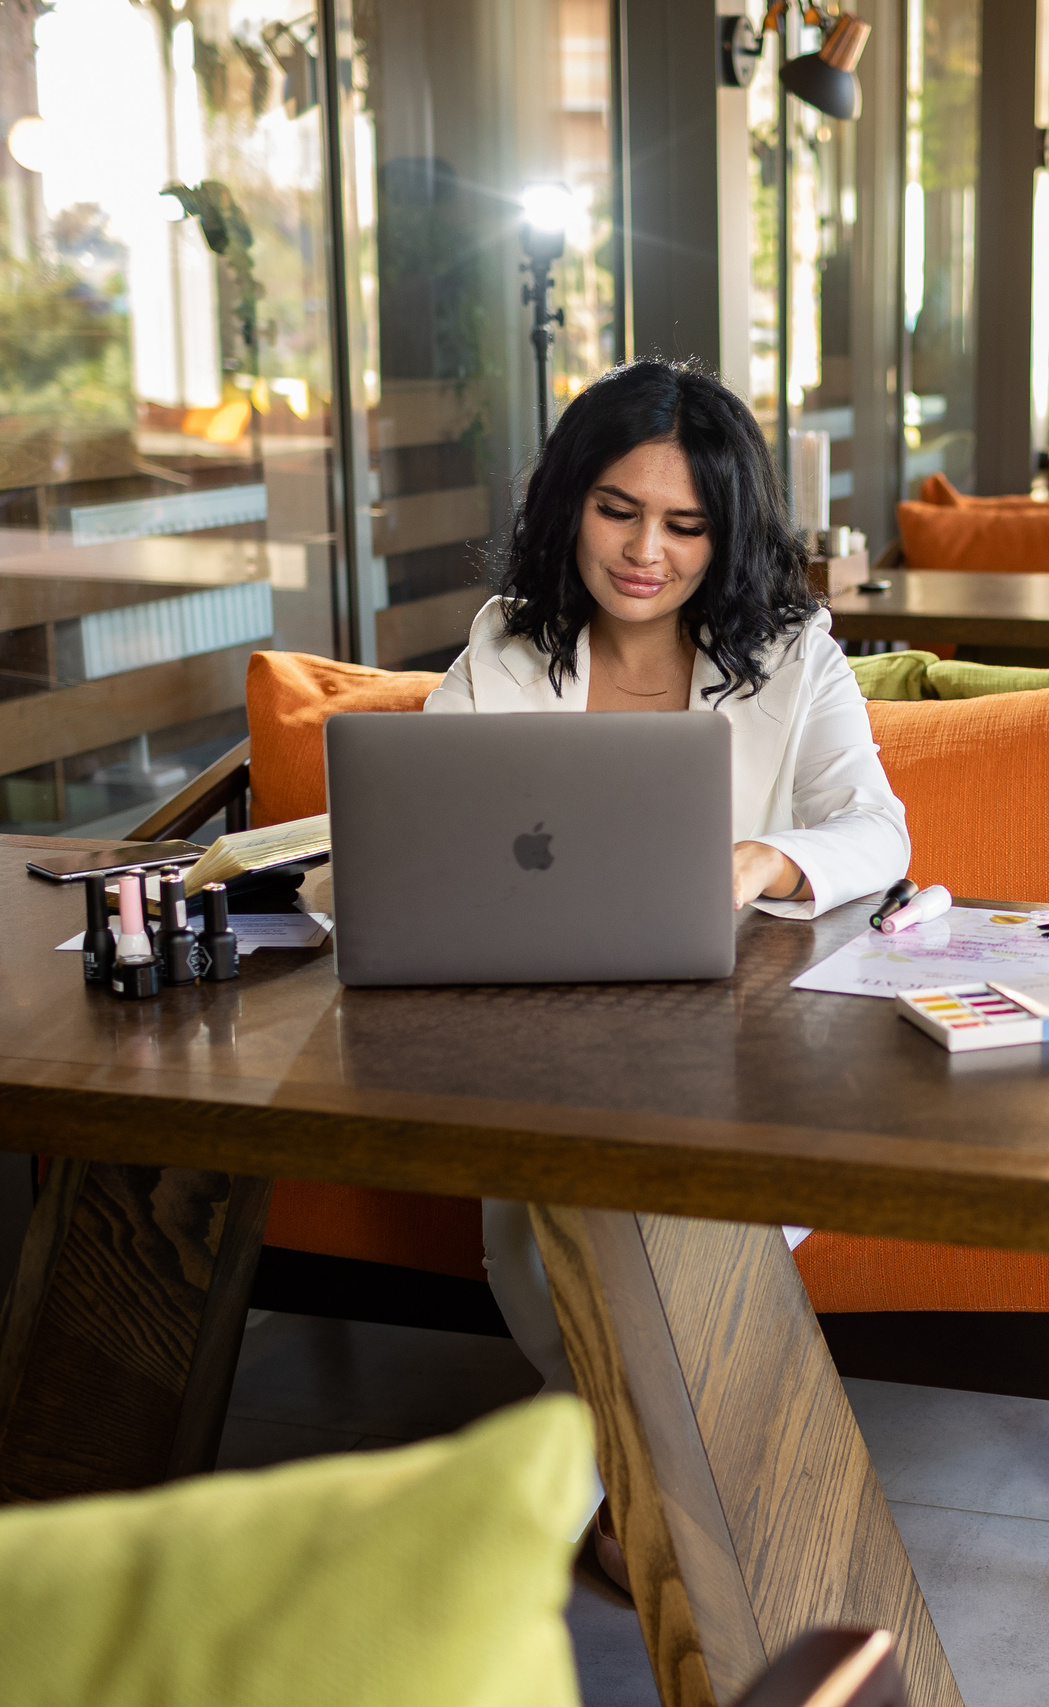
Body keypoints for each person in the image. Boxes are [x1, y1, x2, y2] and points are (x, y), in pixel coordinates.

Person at [426, 358, 910, 1392]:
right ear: (569, 503)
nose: (647, 552)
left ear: (726, 533)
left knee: (654, 1217)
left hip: (738, 1050)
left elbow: (877, 830)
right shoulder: (503, 647)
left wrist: (769, 857)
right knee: (545, 1224)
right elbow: (428, 825)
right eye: (618, 511)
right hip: (544, 1040)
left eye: (686, 525)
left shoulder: (796, 656)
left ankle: (595, 1458)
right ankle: (637, 1459)